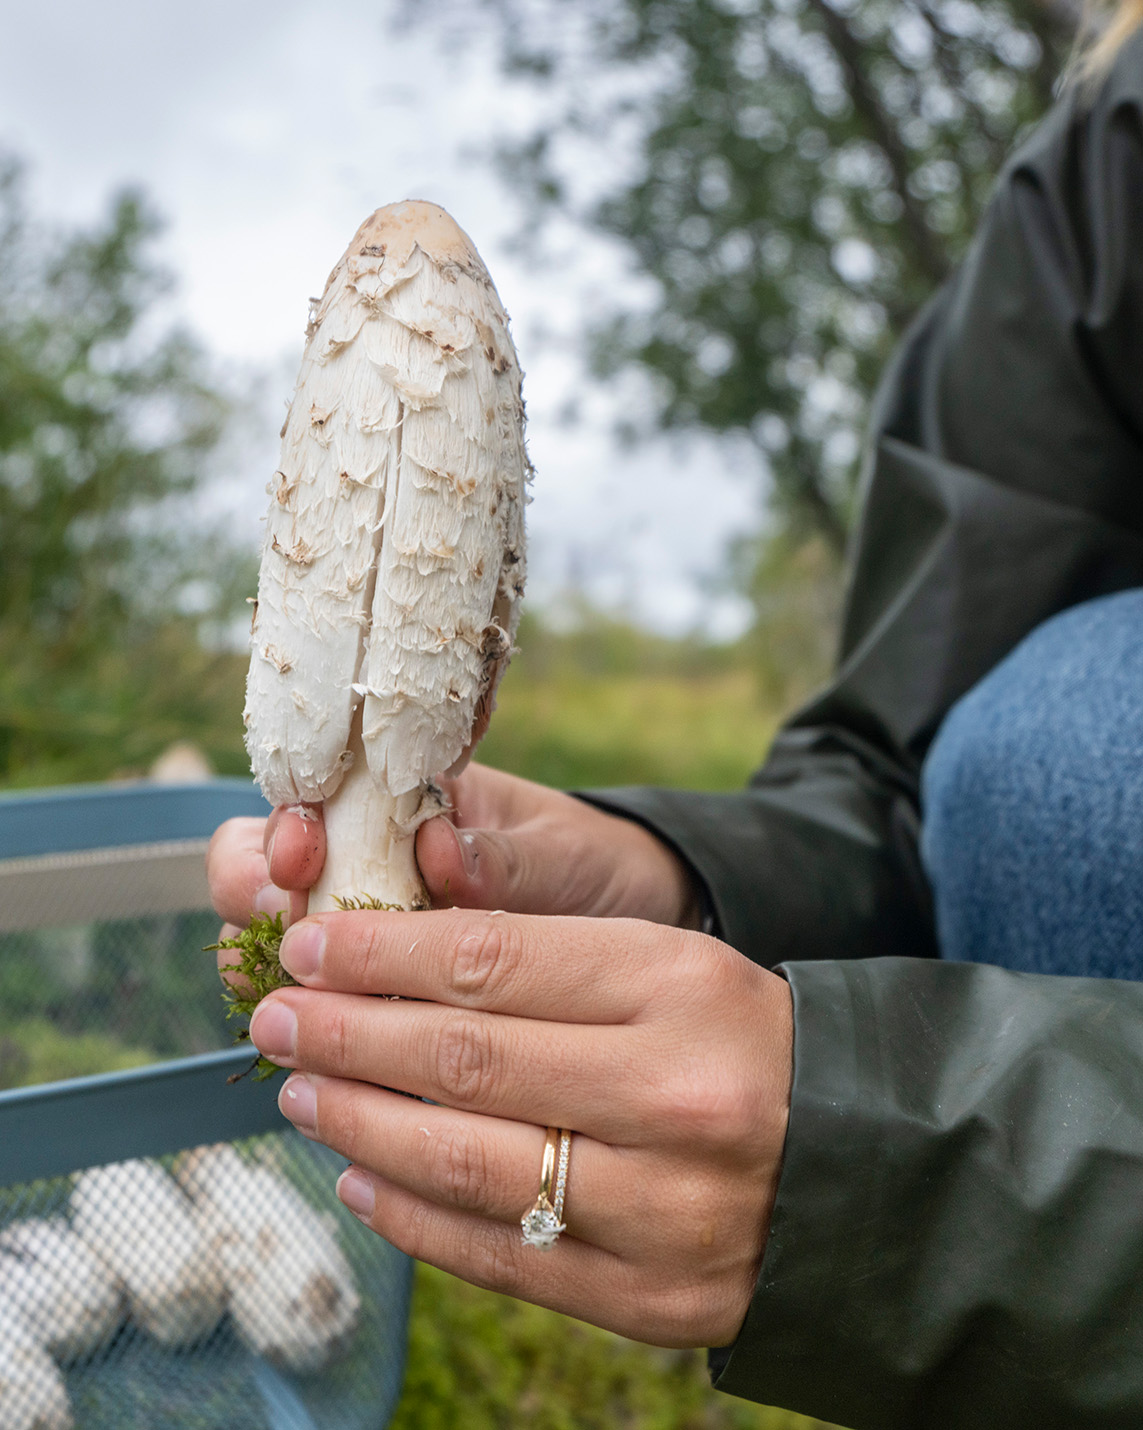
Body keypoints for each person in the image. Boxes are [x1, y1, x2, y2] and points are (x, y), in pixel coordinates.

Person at [208, 10, 1143, 1427]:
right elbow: (910, 762)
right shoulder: (1109, 145)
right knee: (1033, 762)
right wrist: (682, 883)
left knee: (1072, 749)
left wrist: (928, 1176)